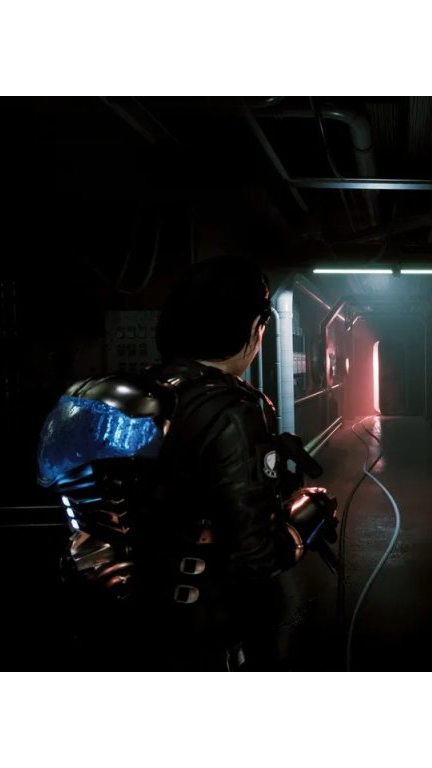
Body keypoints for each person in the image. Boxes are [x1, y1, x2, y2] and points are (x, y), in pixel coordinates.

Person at [37, 256, 337, 670]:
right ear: (255, 327)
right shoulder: (232, 410)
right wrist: (306, 518)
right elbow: (257, 554)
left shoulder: (123, 394)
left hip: (101, 621)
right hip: (196, 634)